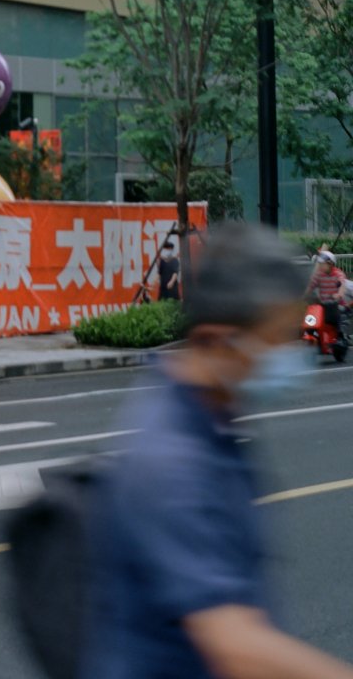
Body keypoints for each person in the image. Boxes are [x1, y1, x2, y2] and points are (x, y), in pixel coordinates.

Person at [84, 222, 353, 679]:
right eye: (275, 339)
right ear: (218, 338)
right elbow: (234, 646)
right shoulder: (170, 461)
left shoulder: (214, 422)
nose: (290, 354)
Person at [306, 246, 347, 341]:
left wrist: (339, 294)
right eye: (320, 264)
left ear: (330, 264)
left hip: (336, 305)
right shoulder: (318, 274)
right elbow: (310, 286)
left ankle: (341, 339)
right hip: (323, 305)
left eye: (322, 264)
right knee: (311, 320)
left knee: (338, 320)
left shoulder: (338, 274)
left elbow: (342, 284)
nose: (320, 266)